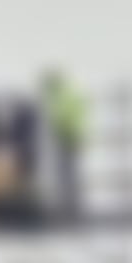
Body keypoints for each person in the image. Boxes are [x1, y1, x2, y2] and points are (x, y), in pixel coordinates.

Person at [41, 69, 87, 217]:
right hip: (70, 136)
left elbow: (62, 118)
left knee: (66, 173)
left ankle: (69, 204)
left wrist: (57, 130)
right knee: (68, 172)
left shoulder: (61, 97)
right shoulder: (67, 95)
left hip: (67, 137)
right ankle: (70, 203)